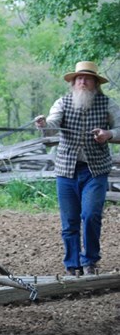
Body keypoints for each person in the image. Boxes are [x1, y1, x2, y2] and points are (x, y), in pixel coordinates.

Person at [35, 61, 120, 276]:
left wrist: (108, 135)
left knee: (91, 215)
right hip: (66, 171)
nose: (82, 81)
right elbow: (53, 125)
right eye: (79, 78)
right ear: (73, 82)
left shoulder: (108, 104)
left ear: (95, 83)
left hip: (95, 171)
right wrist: (44, 125)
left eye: (87, 78)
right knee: (69, 221)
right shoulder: (62, 103)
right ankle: (72, 266)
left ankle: (90, 261)